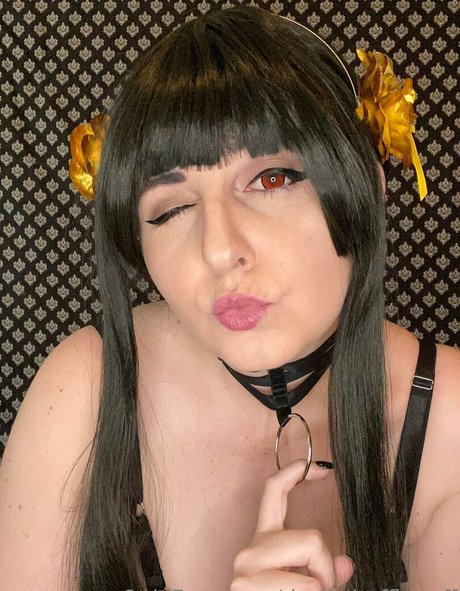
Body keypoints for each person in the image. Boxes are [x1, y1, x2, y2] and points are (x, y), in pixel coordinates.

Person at [0, 5, 459, 591]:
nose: (218, 249)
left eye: (271, 180)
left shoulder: (448, 421)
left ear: (367, 183)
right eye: (171, 208)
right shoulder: (84, 390)